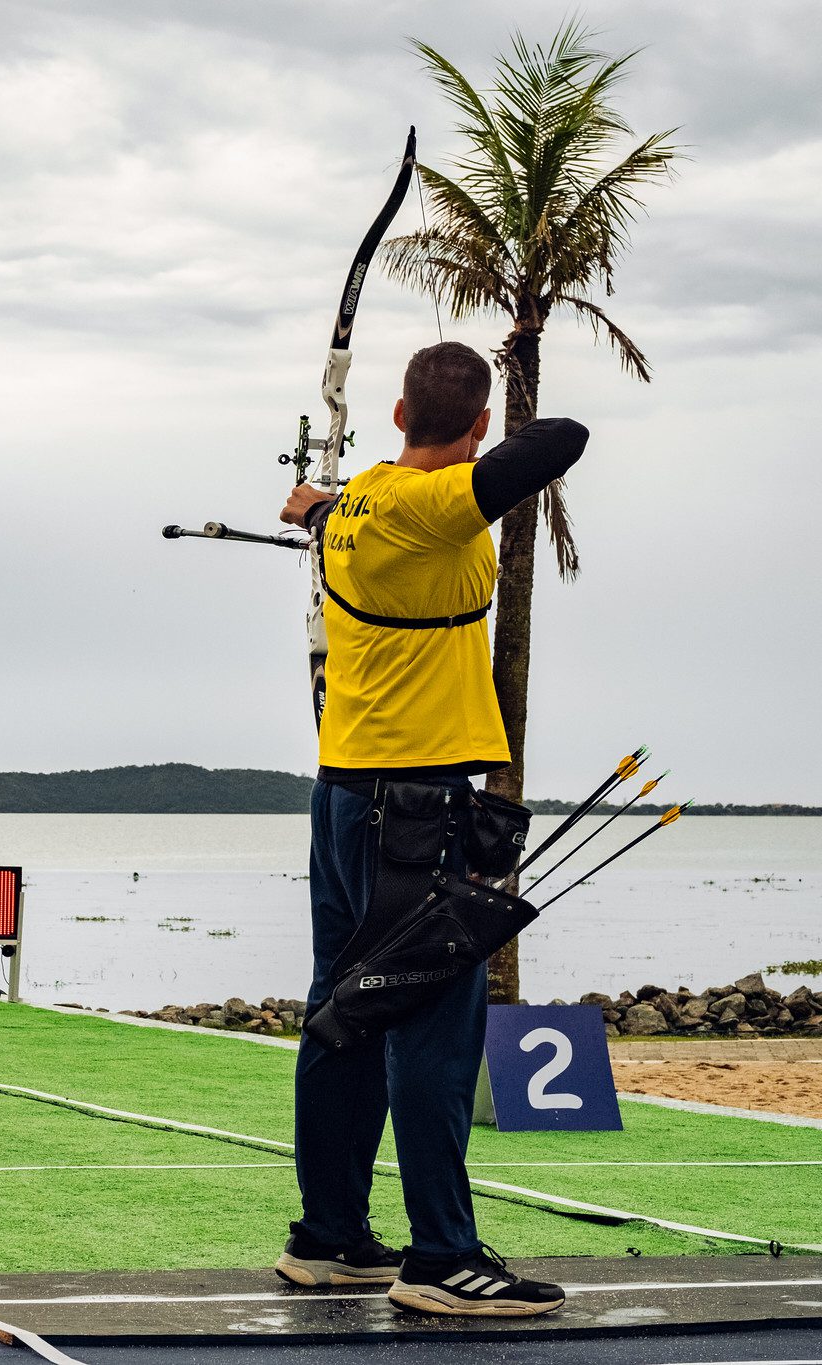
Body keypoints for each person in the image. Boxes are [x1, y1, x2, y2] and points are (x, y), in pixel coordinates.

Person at [271, 341, 587, 1317]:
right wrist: (476, 459)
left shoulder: (359, 498)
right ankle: (439, 1257)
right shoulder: (431, 505)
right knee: (429, 1027)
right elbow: (561, 440)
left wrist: (317, 506)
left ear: (397, 416)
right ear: (474, 426)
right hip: (414, 802)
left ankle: (327, 1239)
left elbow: (356, 506)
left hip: (343, 794)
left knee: (342, 1012)